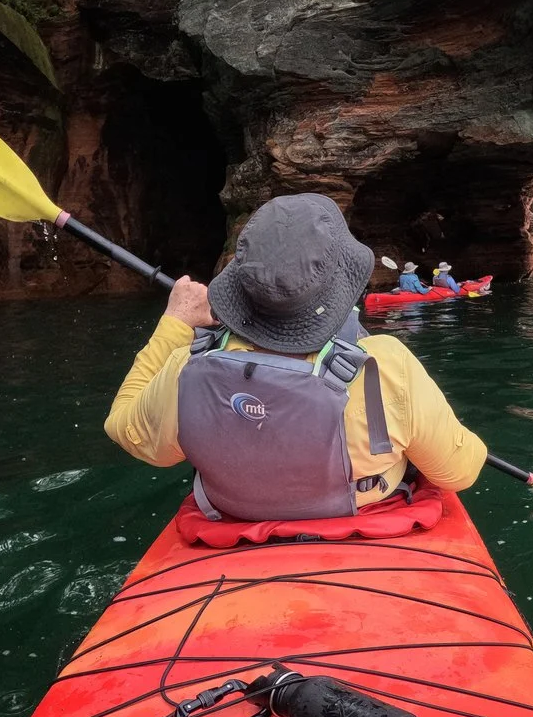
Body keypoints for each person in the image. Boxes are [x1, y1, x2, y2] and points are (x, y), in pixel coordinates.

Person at [104, 194, 487, 524]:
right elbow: (460, 473)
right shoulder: (383, 364)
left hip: (229, 514)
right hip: (362, 512)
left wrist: (174, 323)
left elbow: (123, 427)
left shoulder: (189, 363)